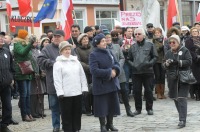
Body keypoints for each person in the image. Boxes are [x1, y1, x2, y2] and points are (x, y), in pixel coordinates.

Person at [53, 41, 88, 132]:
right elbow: (57, 80)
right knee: (67, 115)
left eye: (69, 49)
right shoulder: (58, 64)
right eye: (65, 49)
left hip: (77, 92)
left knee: (77, 113)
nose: (67, 51)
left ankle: (76, 129)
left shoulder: (76, 62)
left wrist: (84, 88)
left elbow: (82, 75)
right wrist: (59, 92)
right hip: (66, 94)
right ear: (61, 51)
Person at [89, 33, 120, 132]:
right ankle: (102, 126)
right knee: (102, 107)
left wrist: (115, 70)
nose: (104, 42)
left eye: (105, 40)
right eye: (102, 41)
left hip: (112, 83)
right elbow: (94, 70)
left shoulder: (110, 52)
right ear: (97, 44)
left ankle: (110, 124)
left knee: (111, 105)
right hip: (101, 84)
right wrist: (108, 72)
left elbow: (116, 63)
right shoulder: (93, 54)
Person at [37, 30, 65, 132]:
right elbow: (40, 60)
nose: (56, 38)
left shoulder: (67, 47)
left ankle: (66, 124)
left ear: (63, 37)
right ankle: (56, 126)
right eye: (55, 36)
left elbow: (76, 59)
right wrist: (53, 63)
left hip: (67, 84)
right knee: (55, 107)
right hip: (53, 83)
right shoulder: (47, 48)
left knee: (66, 107)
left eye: (59, 36)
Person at [163, 34, 192, 128]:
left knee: (182, 98)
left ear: (178, 42)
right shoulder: (168, 53)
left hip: (183, 77)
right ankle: (182, 115)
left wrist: (179, 62)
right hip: (172, 78)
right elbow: (163, 65)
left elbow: (189, 61)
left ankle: (182, 120)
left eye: (174, 42)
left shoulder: (184, 50)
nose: (172, 44)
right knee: (175, 98)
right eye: (170, 42)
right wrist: (166, 64)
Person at [128, 27, 158, 116]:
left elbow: (155, 57)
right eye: (136, 34)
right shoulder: (132, 46)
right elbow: (129, 58)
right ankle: (138, 109)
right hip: (136, 72)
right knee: (137, 91)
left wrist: (149, 64)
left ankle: (149, 108)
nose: (137, 35)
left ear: (143, 35)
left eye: (139, 34)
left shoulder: (150, 45)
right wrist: (133, 65)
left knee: (148, 91)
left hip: (147, 71)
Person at [106, 31, 134, 117]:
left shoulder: (117, 46)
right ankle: (113, 110)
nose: (108, 40)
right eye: (106, 39)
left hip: (120, 72)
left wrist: (119, 66)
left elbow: (122, 58)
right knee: (113, 92)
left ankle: (128, 109)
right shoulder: (104, 49)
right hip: (111, 73)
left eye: (109, 38)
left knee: (124, 91)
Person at [13, 30, 37, 122]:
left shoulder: (26, 44)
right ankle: (24, 114)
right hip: (21, 72)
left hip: (28, 71)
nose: (28, 37)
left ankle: (29, 113)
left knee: (28, 95)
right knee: (24, 95)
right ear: (23, 36)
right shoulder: (17, 44)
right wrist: (30, 44)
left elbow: (30, 58)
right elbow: (23, 53)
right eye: (26, 35)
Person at [76, 33, 93, 116]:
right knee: (86, 91)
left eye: (86, 39)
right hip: (84, 72)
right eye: (84, 39)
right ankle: (87, 109)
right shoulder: (77, 50)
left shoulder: (92, 48)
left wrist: (93, 66)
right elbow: (78, 61)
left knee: (93, 90)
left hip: (93, 71)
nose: (86, 40)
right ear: (80, 41)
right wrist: (87, 67)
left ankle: (95, 108)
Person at [0, 33, 14, 132]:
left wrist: (12, 78)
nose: (1, 39)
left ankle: (4, 125)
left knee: (8, 106)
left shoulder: (6, 51)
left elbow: (11, 66)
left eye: (1, 38)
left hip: (6, 84)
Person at [185, 27, 200, 100]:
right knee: (195, 77)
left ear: (198, 32)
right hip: (193, 61)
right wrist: (195, 57)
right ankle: (195, 93)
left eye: (196, 31)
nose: (194, 32)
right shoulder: (188, 41)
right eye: (193, 31)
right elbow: (188, 50)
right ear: (191, 32)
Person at [152, 27, 166, 99]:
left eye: (158, 33)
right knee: (157, 76)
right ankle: (158, 93)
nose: (157, 34)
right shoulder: (153, 41)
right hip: (156, 61)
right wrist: (161, 47)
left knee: (163, 76)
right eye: (156, 33)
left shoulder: (164, 40)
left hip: (163, 60)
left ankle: (163, 93)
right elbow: (154, 50)